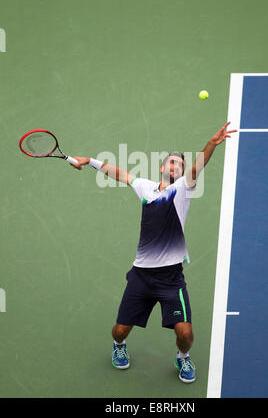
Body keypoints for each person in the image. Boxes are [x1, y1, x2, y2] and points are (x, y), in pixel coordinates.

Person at [71, 121, 237, 383]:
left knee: (185, 334)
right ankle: (119, 346)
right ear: (162, 167)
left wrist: (211, 144)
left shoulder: (183, 189)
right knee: (120, 330)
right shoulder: (146, 189)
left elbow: (198, 167)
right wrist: (89, 160)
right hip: (141, 277)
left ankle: (182, 358)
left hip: (171, 278)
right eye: (172, 162)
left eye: (180, 164)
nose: (176, 166)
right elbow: (120, 174)